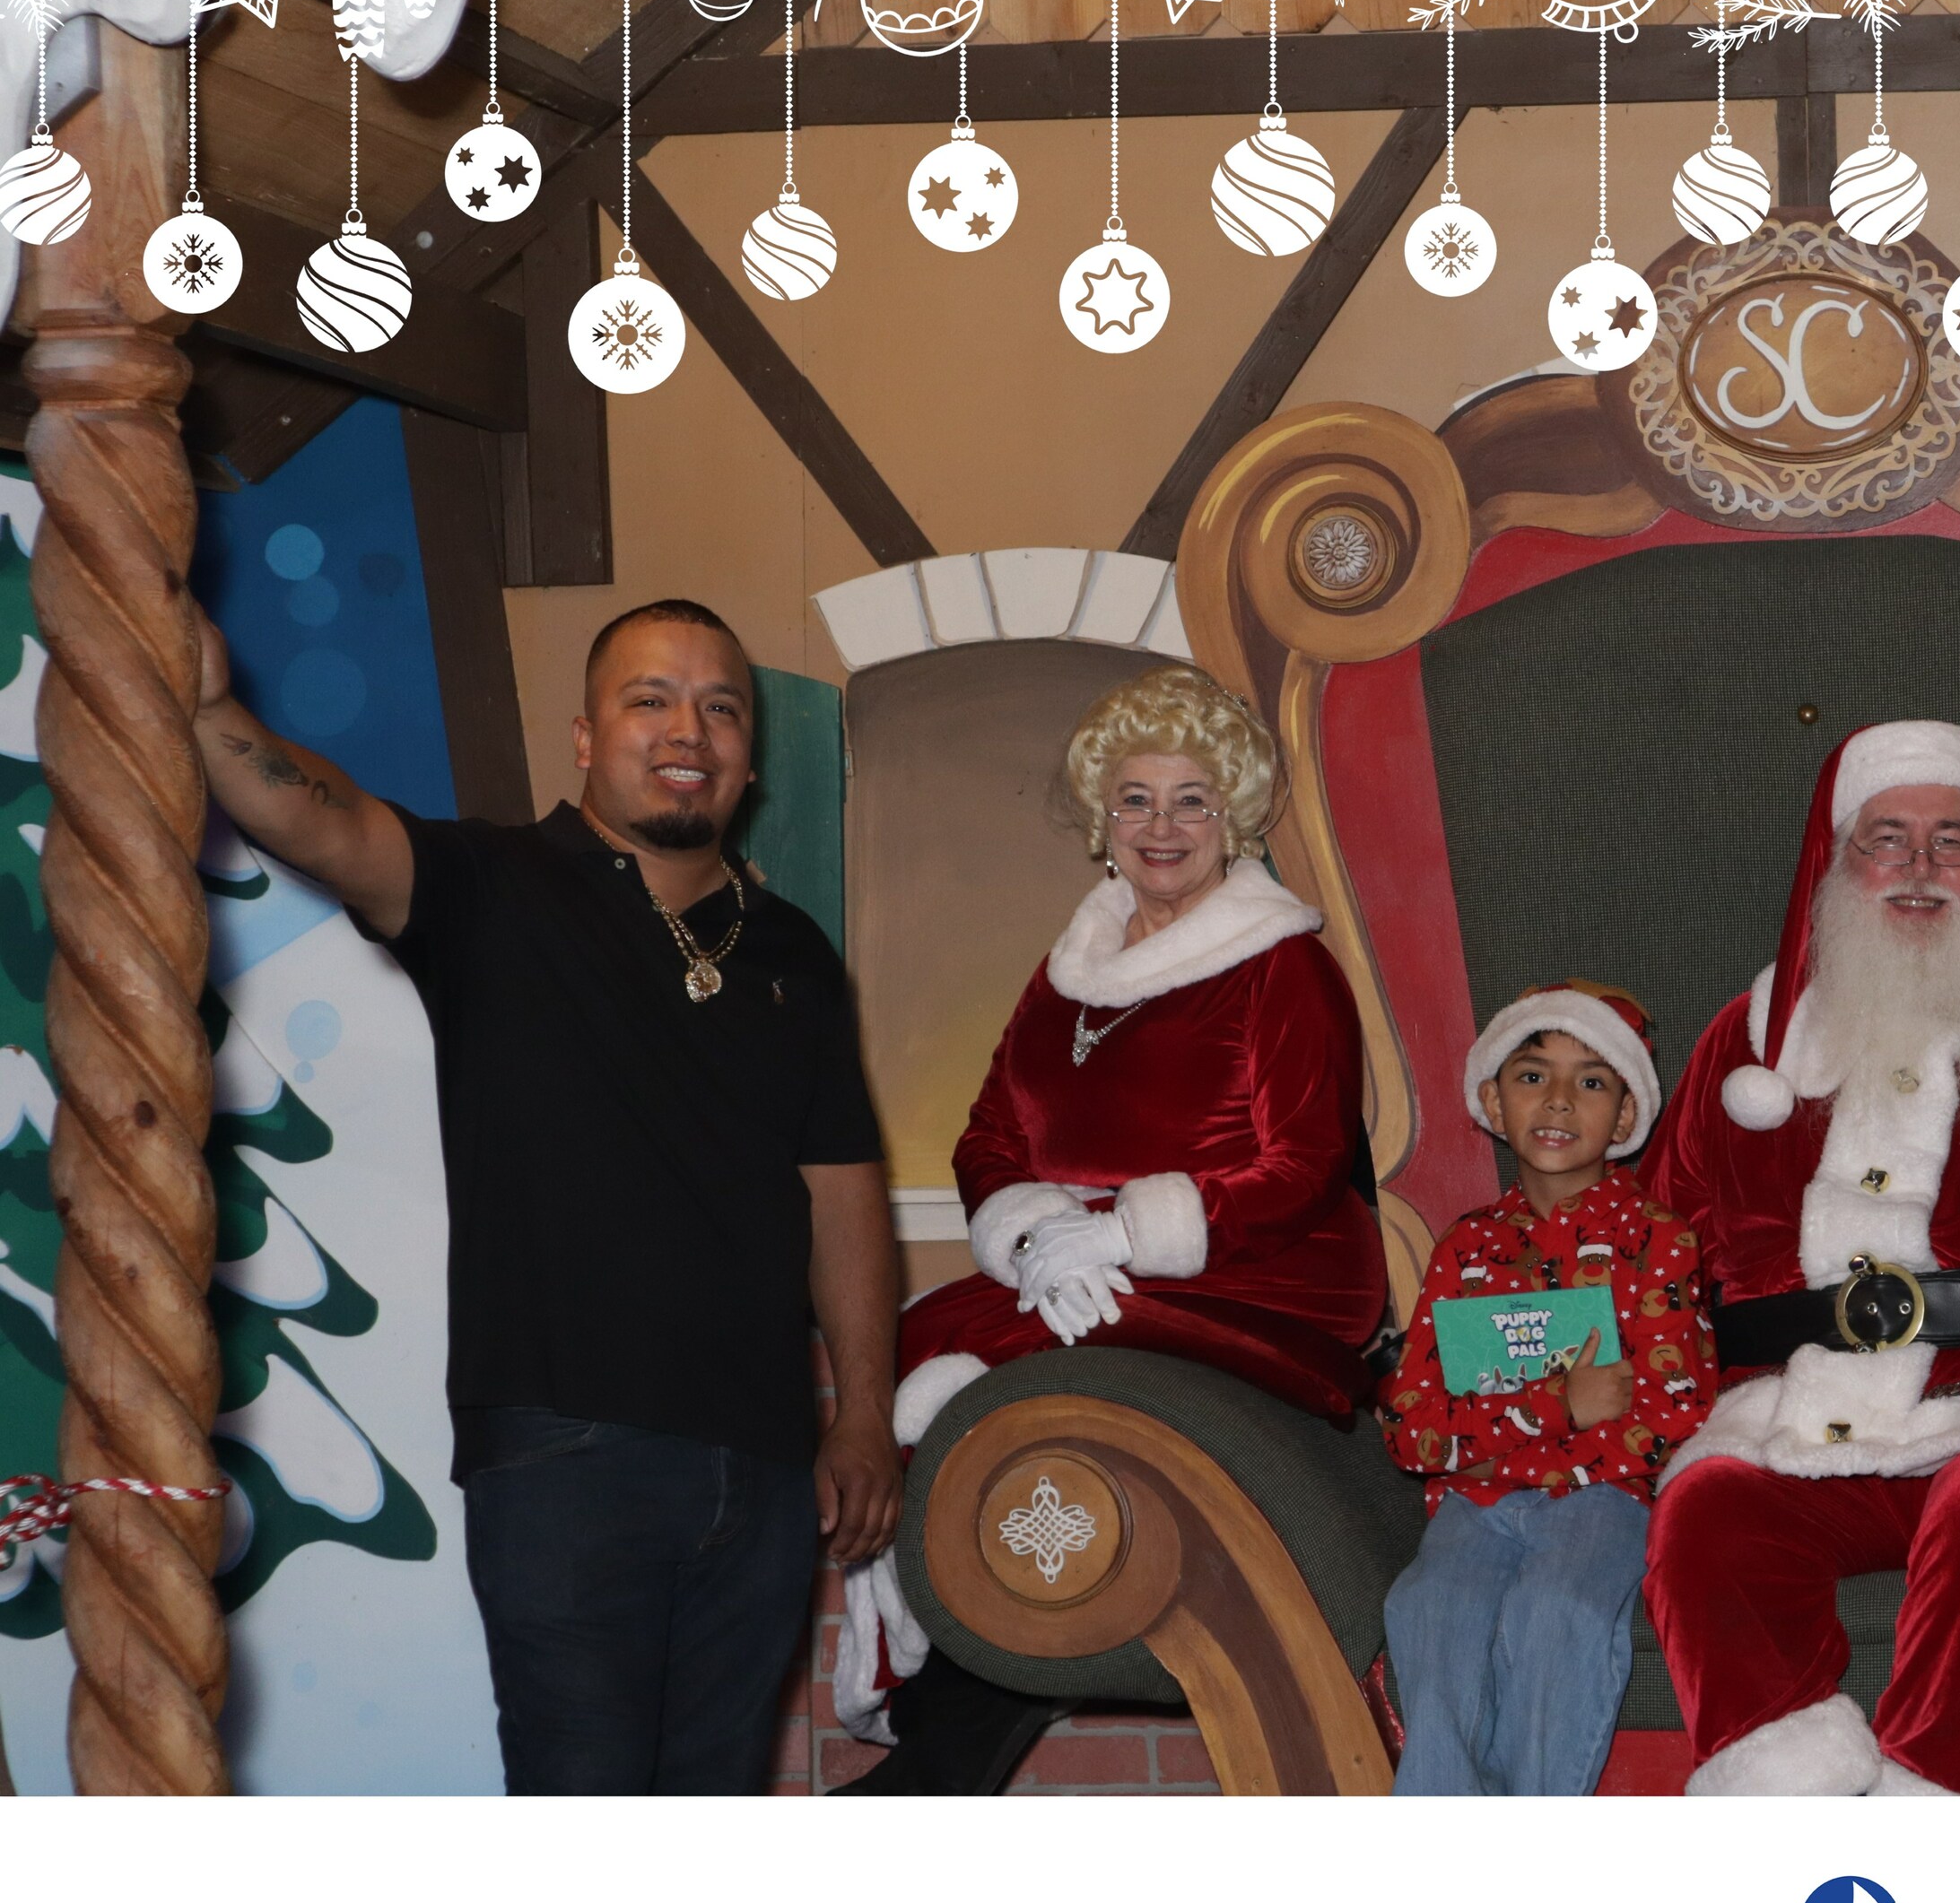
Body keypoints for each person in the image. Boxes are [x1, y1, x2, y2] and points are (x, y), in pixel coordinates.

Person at [188, 598, 902, 1793]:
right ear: (585, 737)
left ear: (749, 755)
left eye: (721, 707)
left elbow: (843, 1196)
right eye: (650, 699)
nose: (689, 729)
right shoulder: (491, 883)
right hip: (568, 1455)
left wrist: (864, 1415)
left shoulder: (792, 953)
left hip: (764, 1468)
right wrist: (210, 703)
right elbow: (322, 818)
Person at [839, 663, 1388, 1787]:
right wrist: (1035, 1230)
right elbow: (988, 1136)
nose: (1161, 827)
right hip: (1083, 1260)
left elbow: (1304, 1167)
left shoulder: (1283, 965)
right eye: (1136, 799)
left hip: (1265, 1270)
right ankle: (929, 1659)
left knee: (985, 1357)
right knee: (915, 1340)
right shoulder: (1068, 973)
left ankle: (926, 1687)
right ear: (1103, 819)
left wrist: (1129, 1235)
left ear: (1233, 816)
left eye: (1191, 800)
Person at [1640, 722, 1960, 1795]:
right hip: (1790, 1416)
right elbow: (1657, 1248)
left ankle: (1926, 1800)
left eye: (1951, 841)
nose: (1920, 868)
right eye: (1887, 839)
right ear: (1839, 862)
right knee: (1705, 1508)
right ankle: (1785, 1784)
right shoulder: (1753, 1040)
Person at [1378, 984, 1716, 1794]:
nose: (1559, 1099)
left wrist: (1494, 1443)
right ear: (1494, 1101)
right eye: (1533, 1076)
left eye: (1591, 1081)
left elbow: (1674, 1416)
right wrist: (1557, 1406)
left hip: (1606, 1501)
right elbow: (1411, 1430)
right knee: (1426, 1606)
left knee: (1556, 1609)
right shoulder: (1465, 1248)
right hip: (1474, 1507)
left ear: (1625, 1116)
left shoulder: (1657, 1240)